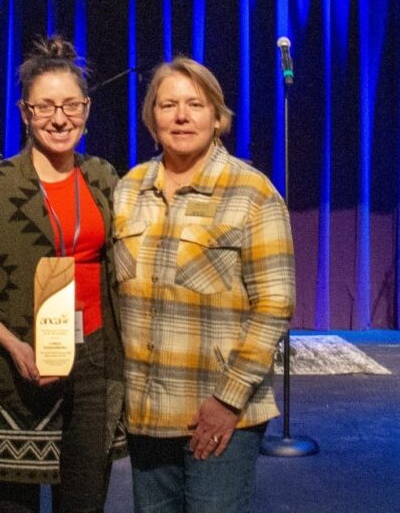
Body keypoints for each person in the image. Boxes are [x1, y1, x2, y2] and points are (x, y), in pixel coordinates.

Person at [0, 36, 125, 513]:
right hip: (13, 369)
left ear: (86, 109)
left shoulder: (104, 177)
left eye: (70, 105)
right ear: (25, 113)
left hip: (94, 363)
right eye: (45, 107)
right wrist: (11, 343)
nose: (59, 119)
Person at [112, 56, 296, 513]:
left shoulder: (253, 193)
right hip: (146, 413)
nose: (181, 116)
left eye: (195, 104)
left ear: (218, 118)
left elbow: (275, 304)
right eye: (168, 104)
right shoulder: (129, 189)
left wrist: (228, 401)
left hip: (218, 416)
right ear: (151, 118)